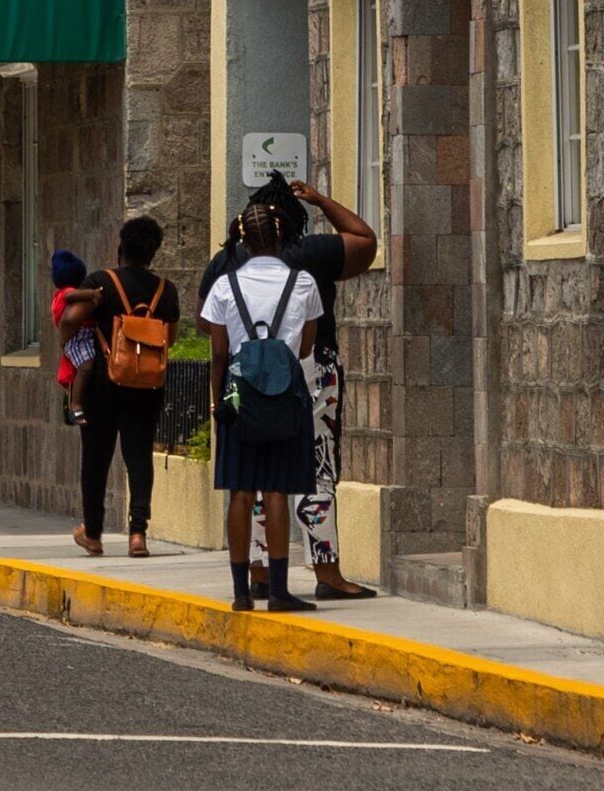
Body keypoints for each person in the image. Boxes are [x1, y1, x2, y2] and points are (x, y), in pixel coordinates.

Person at [199, 196, 323, 613]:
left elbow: (218, 354)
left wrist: (219, 404)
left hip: (240, 397)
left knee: (240, 490)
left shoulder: (224, 286)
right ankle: (280, 590)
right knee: (276, 490)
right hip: (287, 397)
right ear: (282, 234)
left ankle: (239, 591)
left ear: (241, 239)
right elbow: (306, 346)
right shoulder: (303, 283)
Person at [263, 173, 384, 601]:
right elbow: (364, 240)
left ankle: (260, 569)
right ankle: (327, 570)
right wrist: (320, 200)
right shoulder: (308, 253)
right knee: (319, 468)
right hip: (313, 366)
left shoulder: (231, 262)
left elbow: (209, 321)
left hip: (254, 373)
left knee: (261, 470)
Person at [58, 216, 175, 559]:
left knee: (96, 458)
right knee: (139, 457)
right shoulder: (166, 290)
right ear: (153, 253)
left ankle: (92, 533)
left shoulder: (100, 282)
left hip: (102, 386)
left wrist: (70, 347)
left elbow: (68, 320)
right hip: (147, 386)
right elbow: (173, 337)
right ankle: (138, 533)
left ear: (120, 248)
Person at [48, 247, 92, 426]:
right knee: (86, 366)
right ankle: (75, 404)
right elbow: (72, 295)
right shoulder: (64, 293)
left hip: (84, 334)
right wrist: (93, 294)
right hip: (76, 337)